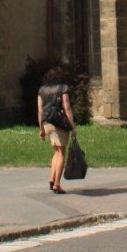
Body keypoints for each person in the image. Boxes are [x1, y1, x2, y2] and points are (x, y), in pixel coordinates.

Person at [37, 65, 75, 193]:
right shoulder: (63, 87)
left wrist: (41, 129)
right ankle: (57, 184)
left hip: (47, 122)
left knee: (56, 152)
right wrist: (72, 127)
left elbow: (40, 111)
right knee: (61, 153)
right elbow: (67, 107)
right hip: (59, 123)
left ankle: (52, 178)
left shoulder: (42, 90)